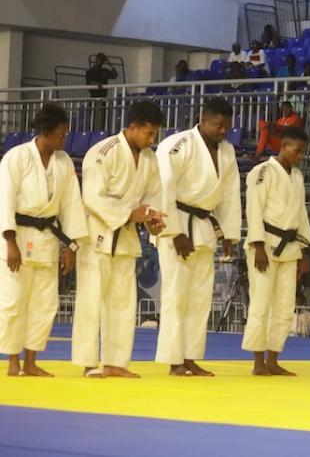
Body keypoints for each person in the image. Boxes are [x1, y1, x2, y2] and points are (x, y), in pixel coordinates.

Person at [72, 100, 166, 379]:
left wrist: (153, 219)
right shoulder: (102, 152)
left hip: (125, 239)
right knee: (91, 300)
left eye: (155, 134)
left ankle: (115, 362)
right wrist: (129, 213)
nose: (152, 140)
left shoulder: (149, 159)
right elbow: (93, 197)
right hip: (97, 235)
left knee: (123, 303)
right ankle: (89, 363)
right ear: (133, 127)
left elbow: (153, 195)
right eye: (148, 133)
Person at [155, 97, 242, 377]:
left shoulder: (227, 152)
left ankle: (191, 357)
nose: (223, 131)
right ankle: (174, 360)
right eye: (218, 125)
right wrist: (174, 231)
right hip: (177, 224)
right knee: (175, 296)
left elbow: (229, 195)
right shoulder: (178, 145)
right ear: (203, 120)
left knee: (200, 298)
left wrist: (229, 234)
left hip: (204, 227)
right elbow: (163, 188)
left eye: (227, 126)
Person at [0, 103, 88, 377]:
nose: (65, 138)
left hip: (47, 240)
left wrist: (71, 246)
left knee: (44, 303)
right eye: (61, 133)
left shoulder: (64, 164)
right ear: (46, 132)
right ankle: (13, 361)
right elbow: (5, 199)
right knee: (14, 300)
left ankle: (31, 361)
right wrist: (10, 242)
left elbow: (72, 206)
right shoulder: (17, 157)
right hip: (18, 236)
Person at [242, 128, 310, 376]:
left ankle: (273, 359)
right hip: (265, 245)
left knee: (285, 306)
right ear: (283, 146)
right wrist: (258, 245)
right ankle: (258, 362)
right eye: (297, 150)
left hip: (290, 246)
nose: (300, 156)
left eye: (303, 152)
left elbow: (301, 214)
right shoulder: (262, 172)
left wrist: (305, 251)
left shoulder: (298, 177)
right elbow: (254, 210)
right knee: (261, 304)